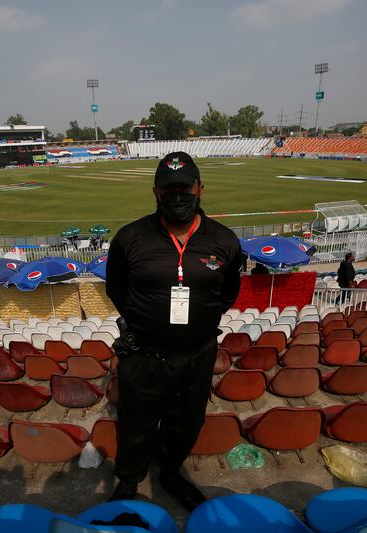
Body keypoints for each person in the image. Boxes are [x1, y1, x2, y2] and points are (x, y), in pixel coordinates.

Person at [105, 151, 242, 511]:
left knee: (186, 423)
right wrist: (146, 324)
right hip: (144, 356)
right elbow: (116, 289)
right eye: (169, 190)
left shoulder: (224, 241)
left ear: (200, 188)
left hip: (197, 356)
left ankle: (169, 473)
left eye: (184, 188)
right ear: (156, 192)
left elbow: (227, 293)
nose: (177, 196)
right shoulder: (130, 237)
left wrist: (195, 325)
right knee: (136, 423)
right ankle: (129, 481)